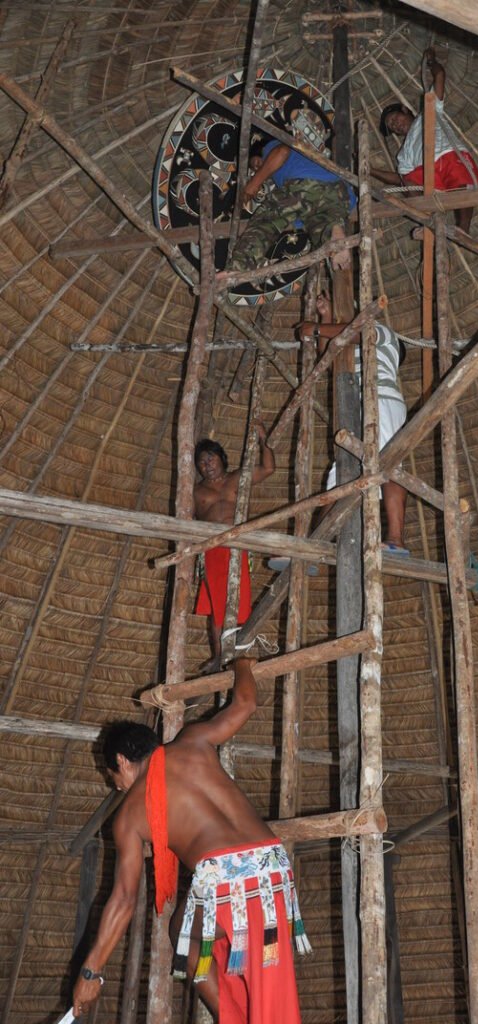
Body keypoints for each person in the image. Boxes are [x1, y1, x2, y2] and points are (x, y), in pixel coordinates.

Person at [72, 657, 310, 1023]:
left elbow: (123, 899)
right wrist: (243, 666)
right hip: (274, 869)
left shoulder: (130, 815)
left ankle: (232, 1017)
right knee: (224, 947)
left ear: (121, 760)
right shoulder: (195, 740)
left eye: (112, 777)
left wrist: (92, 971)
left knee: (185, 938)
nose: (116, 786)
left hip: (227, 883)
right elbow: (245, 703)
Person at [304, 293, 409, 556]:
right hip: (357, 407)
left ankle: (396, 539)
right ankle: (316, 543)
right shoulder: (353, 346)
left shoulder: (382, 333)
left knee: (388, 464)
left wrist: (317, 328)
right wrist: (326, 319)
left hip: (381, 400)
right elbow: (330, 357)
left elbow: (356, 333)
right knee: (340, 474)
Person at [371, 47, 478, 234]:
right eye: (392, 128)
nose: (395, 126)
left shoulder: (430, 111)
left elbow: (440, 77)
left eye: (394, 120)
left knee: (461, 187)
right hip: (428, 175)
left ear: (405, 110)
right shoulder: (404, 153)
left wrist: (432, 62)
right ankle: (427, 221)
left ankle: (463, 229)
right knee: (407, 181)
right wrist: (370, 170)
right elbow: (399, 179)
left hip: (447, 155)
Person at [194, 427, 275, 673]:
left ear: (222, 459)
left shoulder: (236, 478)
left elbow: (269, 468)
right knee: (217, 604)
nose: (207, 465)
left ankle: (236, 655)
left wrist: (263, 440)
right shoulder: (195, 491)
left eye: (210, 458)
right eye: (201, 462)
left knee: (236, 601)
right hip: (212, 548)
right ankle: (220, 655)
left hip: (237, 546)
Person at [219, 137, 356, 276]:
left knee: (266, 221)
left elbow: (282, 151)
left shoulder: (273, 147)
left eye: (256, 163)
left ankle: (237, 267)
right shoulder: (286, 175)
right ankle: (333, 233)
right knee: (318, 229)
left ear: (261, 151)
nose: (257, 169)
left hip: (308, 184)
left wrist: (255, 182)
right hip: (340, 197)